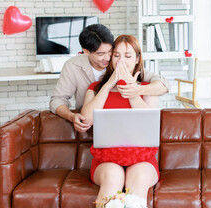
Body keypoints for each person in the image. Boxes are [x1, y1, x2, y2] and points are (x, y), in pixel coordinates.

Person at [81, 35, 159, 208]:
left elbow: (149, 124)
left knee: (138, 180)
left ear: (137, 58)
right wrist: (108, 85)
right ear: (110, 58)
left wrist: (132, 89)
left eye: (128, 56)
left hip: (142, 159)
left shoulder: (147, 88)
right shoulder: (95, 88)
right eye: (117, 55)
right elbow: (86, 119)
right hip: (106, 160)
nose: (121, 61)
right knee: (112, 177)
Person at [49, 24, 169, 132]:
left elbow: (163, 83)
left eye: (111, 52)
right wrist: (71, 116)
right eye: (100, 54)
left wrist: (137, 90)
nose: (108, 58)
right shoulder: (73, 66)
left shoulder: (121, 63)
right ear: (86, 51)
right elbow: (58, 100)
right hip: (94, 128)